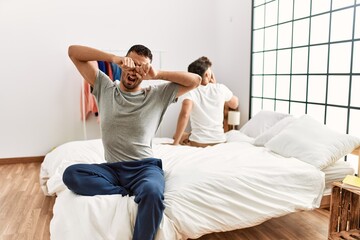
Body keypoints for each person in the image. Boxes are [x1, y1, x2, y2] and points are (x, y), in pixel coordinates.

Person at [63, 45, 201, 240]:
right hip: (112, 170)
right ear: (124, 64)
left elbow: (196, 80)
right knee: (71, 174)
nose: (134, 70)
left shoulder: (156, 95)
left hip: (144, 169)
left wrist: (158, 73)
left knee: (152, 193)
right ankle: (125, 191)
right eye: (131, 64)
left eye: (141, 67)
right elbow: (73, 52)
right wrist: (113, 58)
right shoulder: (105, 87)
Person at [172, 56, 238, 147]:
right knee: (185, 135)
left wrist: (175, 143)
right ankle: (187, 138)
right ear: (207, 74)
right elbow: (235, 104)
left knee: (176, 135)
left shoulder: (189, 91)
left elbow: (185, 114)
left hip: (199, 142)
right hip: (220, 141)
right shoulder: (220, 88)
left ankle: (186, 139)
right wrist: (216, 87)